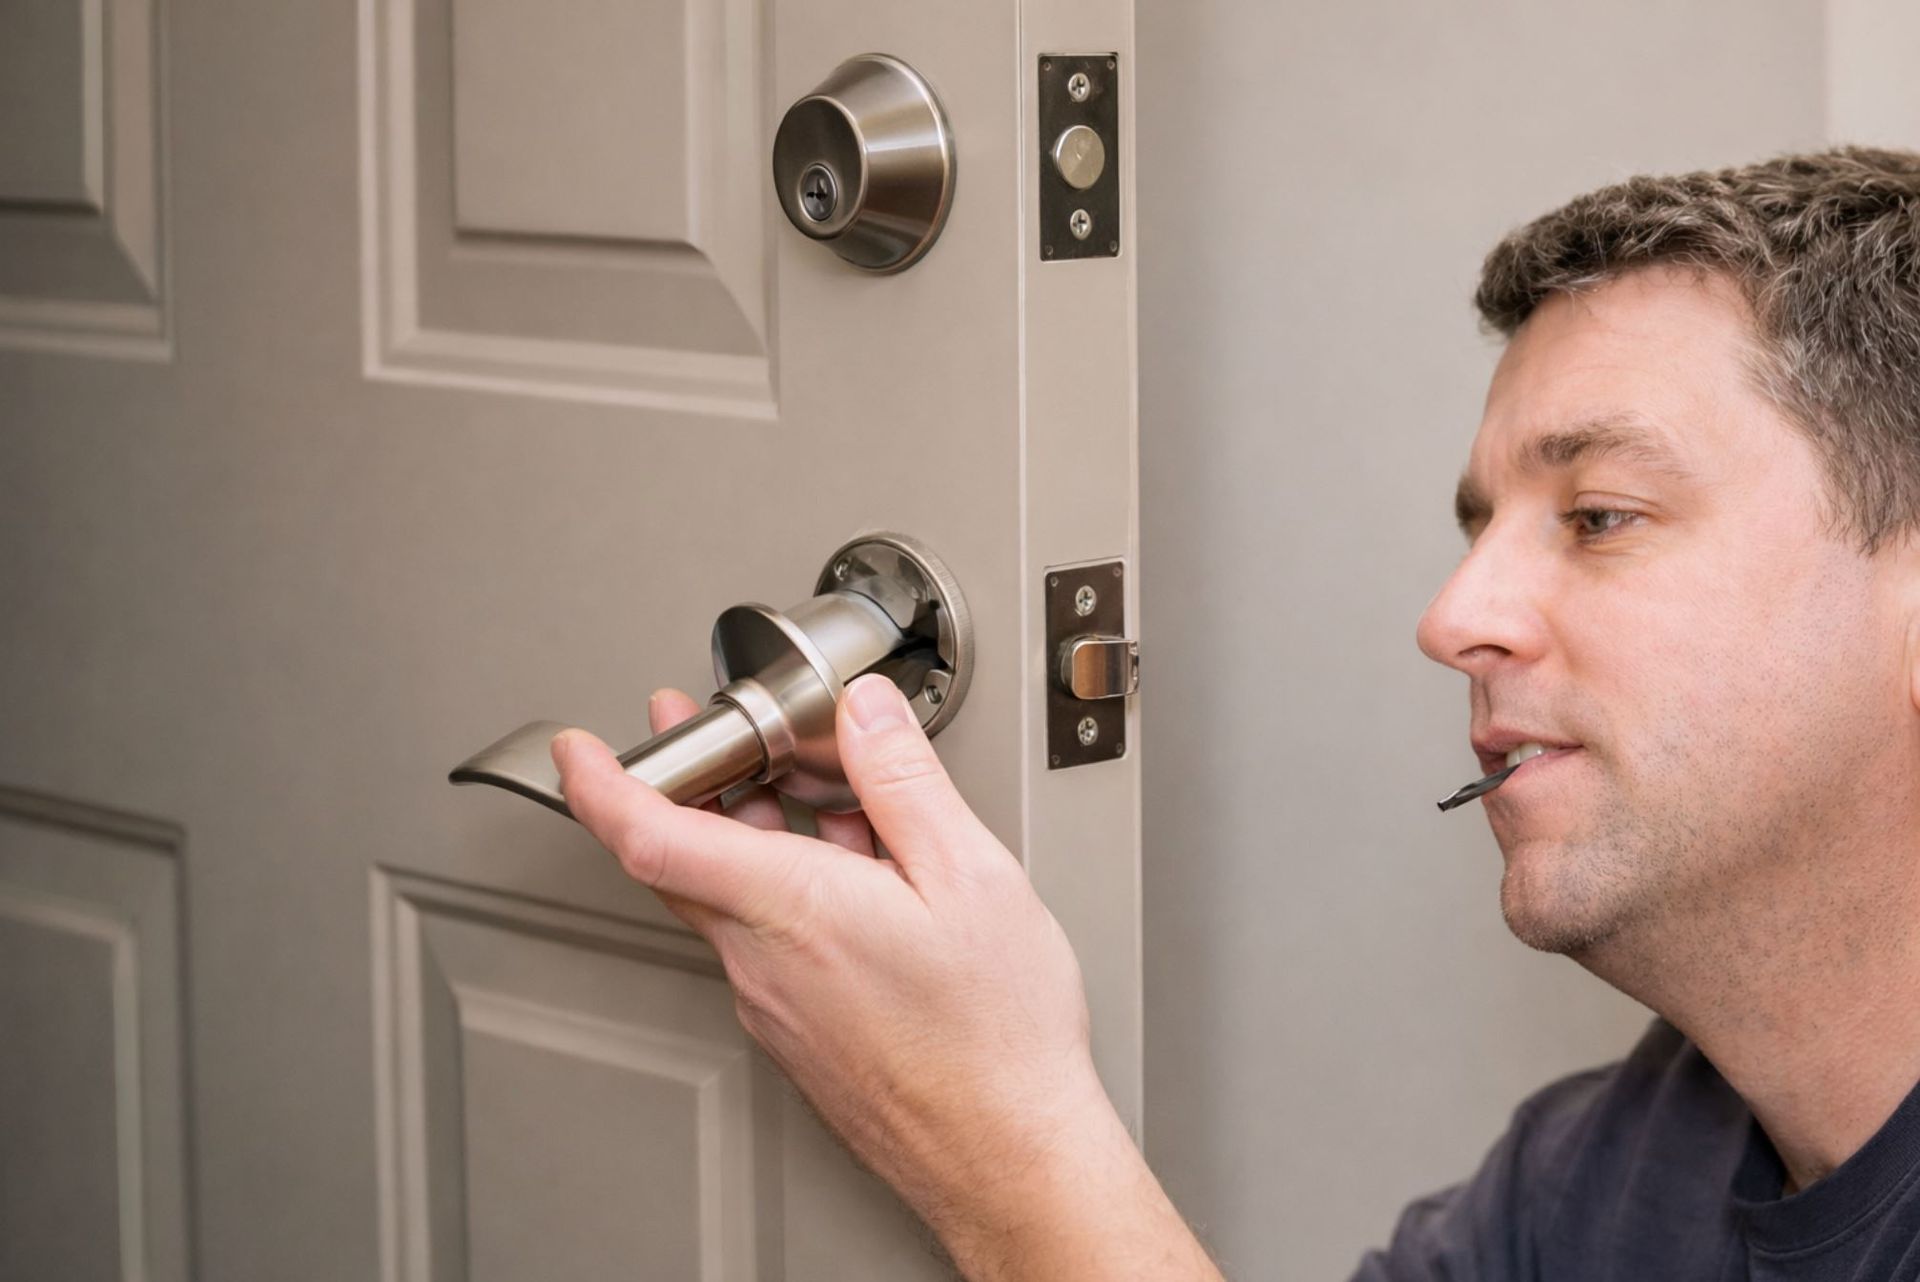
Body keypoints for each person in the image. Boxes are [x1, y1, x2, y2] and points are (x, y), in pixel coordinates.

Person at [552, 146, 1920, 1280]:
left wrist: (998, 1136)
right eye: (1482, 527)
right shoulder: (1611, 1171)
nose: (1452, 618)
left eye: (1599, 517)